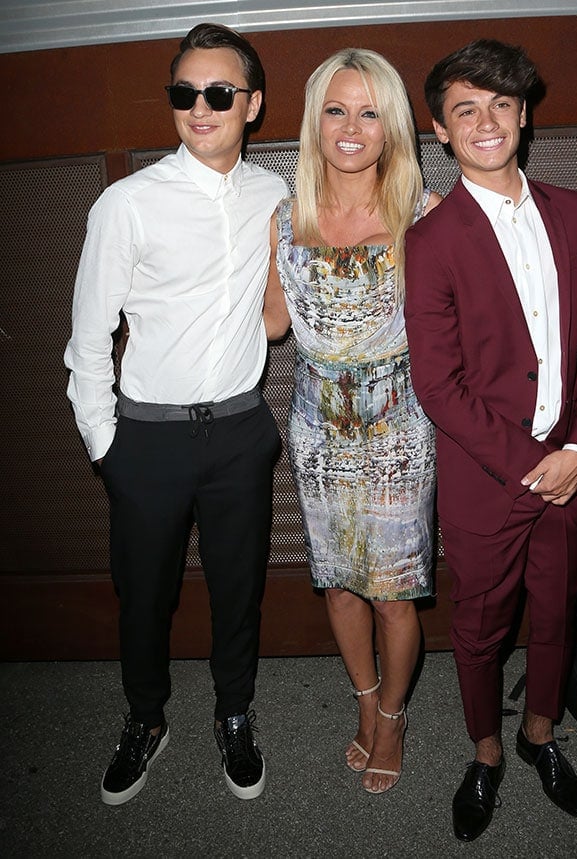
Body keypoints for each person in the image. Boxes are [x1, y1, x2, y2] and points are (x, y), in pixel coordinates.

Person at [64, 23, 287, 806]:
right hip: (146, 439)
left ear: (252, 105)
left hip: (238, 431)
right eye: (184, 93)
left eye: (219, 93)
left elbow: (281, 309)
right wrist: (108, 446)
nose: (201, 107)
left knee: (239, 587)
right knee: (144, 594)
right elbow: (87, 337)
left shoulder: (275, 194)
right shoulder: (126, 204)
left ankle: (234, 712)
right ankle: (145, 719)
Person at [403, 39, 577, 841]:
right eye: (466, 109)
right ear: (441, 128)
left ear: (524, 114)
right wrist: (540, 468)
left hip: (573, 463)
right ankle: (487, 752)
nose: (486, 122)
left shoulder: (574, 215)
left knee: (559, 611)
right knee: (480, 626)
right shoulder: (429, 242)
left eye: (501, 104)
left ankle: (539, 736)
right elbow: (440, 388)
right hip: (488, 481)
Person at [263, 48, 440, 794]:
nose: (351, 125)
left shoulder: (424, 214)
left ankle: (394, 716)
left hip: (397, 428)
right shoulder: (283, 213)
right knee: (339, 583)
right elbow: (274, 324)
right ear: (315, 119)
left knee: (394, 591)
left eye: (370, 111)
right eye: (336, 108)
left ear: (392, 125)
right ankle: (364, 702)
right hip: (316, 429)